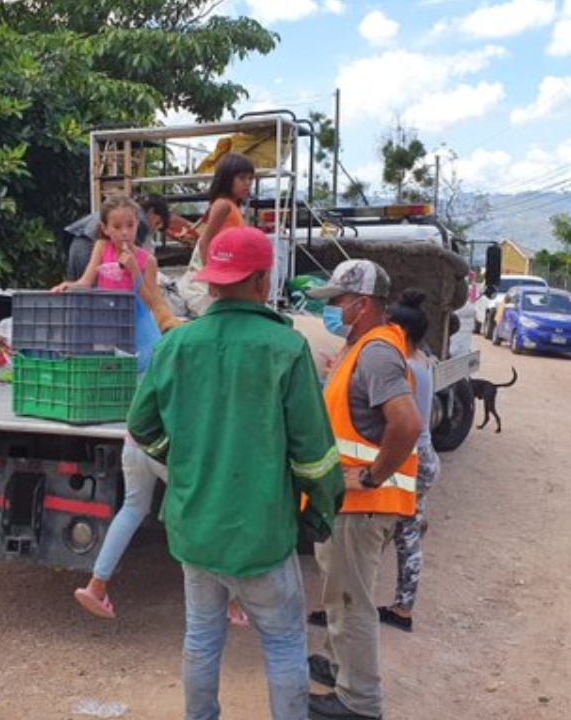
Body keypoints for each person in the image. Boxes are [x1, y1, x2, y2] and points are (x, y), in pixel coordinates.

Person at [128, 226, 344, 720]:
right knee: (284, 644)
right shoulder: (285, 348)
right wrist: (322, 510)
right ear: (263, 280)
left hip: (195, 530)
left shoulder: (176, 345)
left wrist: (181, 460)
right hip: (261, 535)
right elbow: (314, 456)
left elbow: (141, 426)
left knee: (201, 638)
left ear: (212, 281)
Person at [303, 260, 423, 720]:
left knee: (351, 602)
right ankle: (341, 667)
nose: (333, 309)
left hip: (362, 504)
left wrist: (371, 476)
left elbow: (406, 424)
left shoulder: (376, 352)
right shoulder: (360, 347)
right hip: (349, 502)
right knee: (341, 594)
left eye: (338, 300)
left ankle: (359, 701)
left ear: (364, 304)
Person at [382, 289, 440, 633]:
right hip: (424, 456)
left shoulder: (406, 368)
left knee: (405, 536)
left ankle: (403, 610)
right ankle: (402, 606)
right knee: (408, 531)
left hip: (413, 459)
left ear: (400, 332)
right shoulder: (422, 359)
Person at [53, 194, 164, 369]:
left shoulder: (148, 260)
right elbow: (85, 282)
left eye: (130, 225)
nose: (125, 233)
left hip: (136, 328)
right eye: (117, 227)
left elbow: (150, 303)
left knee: (134, 372)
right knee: (107, 370)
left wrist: (134, 270)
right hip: (106, 324)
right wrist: (68, 286)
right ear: (105, 229)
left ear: (137, 224)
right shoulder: (102, 247)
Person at [177, 151, 255, 317]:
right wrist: (212, 279)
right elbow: (205, 242)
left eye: (250, 178)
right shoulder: (223, 205)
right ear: (227, 179)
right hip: (209, 275)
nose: (247, 183)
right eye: (242, 178)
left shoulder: (232, 207)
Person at [64, 194, 166, 282]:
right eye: (157, 223)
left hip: (76, 242)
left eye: (130, 226)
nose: (125, 232)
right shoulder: (140, 219)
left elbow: (82, 284)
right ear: (151, 211)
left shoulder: (121, 211)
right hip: (87, 246)